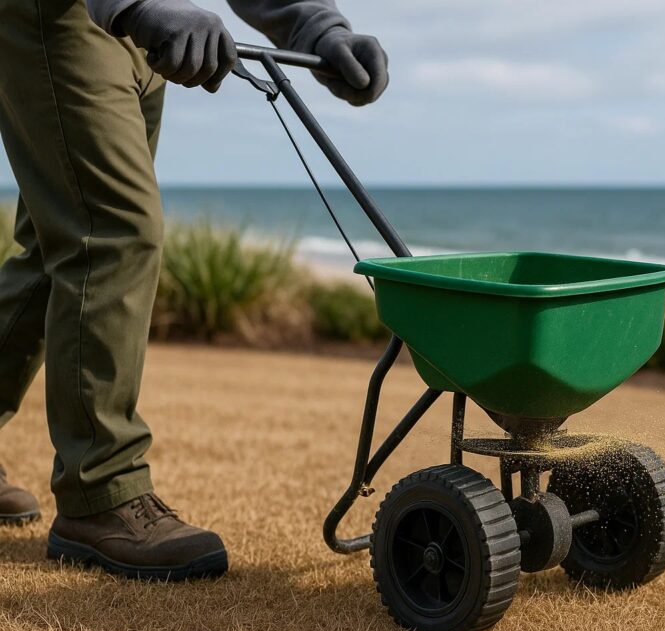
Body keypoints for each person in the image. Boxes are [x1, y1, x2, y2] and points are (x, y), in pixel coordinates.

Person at [0, 0, 388, 580]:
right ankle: (99, 493)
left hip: (142, 36)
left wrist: (316, 27)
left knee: (58, 245)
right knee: (111, 233)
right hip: (60, 12)